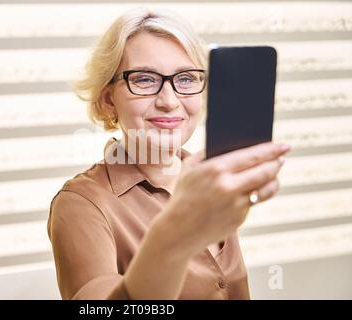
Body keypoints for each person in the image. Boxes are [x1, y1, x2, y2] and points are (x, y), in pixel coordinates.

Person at [47, 7, 291, 300]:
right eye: (145, 79)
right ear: (109, 99)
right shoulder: (81, 203)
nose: (169, 100)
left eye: (186, 79)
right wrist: (177, 230)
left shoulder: (209, 176)